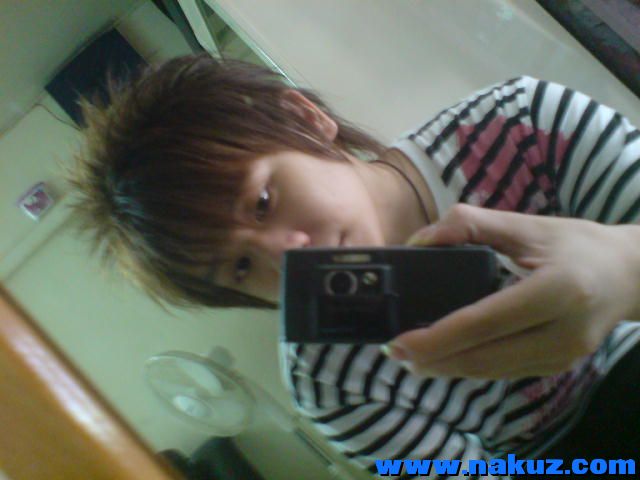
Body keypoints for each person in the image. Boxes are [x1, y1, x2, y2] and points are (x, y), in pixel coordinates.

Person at [69, 53, 640, 478]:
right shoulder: (327, 379)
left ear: (303, 117)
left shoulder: (522, 124)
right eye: (241, 266)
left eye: (263, 201)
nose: (287, 255)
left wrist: (623, 269)